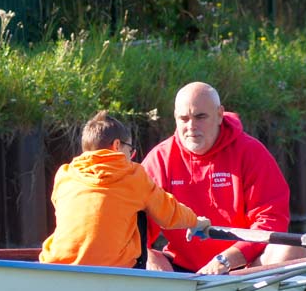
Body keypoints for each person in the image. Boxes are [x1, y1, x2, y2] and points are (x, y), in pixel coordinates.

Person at [141, 81, 306, 274]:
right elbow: (135, 224)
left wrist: (227, 259)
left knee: (292, 249)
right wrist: (147, 255)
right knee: (142, 257)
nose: (191, 126)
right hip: (181, 271)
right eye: (183, 119)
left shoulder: (251, 152)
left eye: (200, 117)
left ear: (220, 115)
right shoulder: (160, 159)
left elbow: (270, 220)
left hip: (244, 268)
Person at [39, 109, 210, 268]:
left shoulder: (65, 175)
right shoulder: (133, 176)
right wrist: (195, 221)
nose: (131, 156)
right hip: (113, 269)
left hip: (56, 265)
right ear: (116, 145)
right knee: (141, 215)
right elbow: (169, 213)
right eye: (130, 150)